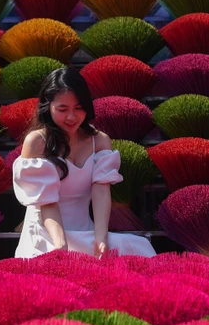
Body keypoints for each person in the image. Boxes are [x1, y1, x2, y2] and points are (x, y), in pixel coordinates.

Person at [11, 67, 157, 259]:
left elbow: (101, 191)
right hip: (46, 232)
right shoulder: (37, 142)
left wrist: (101, 237)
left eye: (78, 108)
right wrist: (60, 245)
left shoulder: (100, 141)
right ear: (47, 107)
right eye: (62, 109)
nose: (71, 117)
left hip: (84, 230)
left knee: (138, 250)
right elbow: (46, 202)